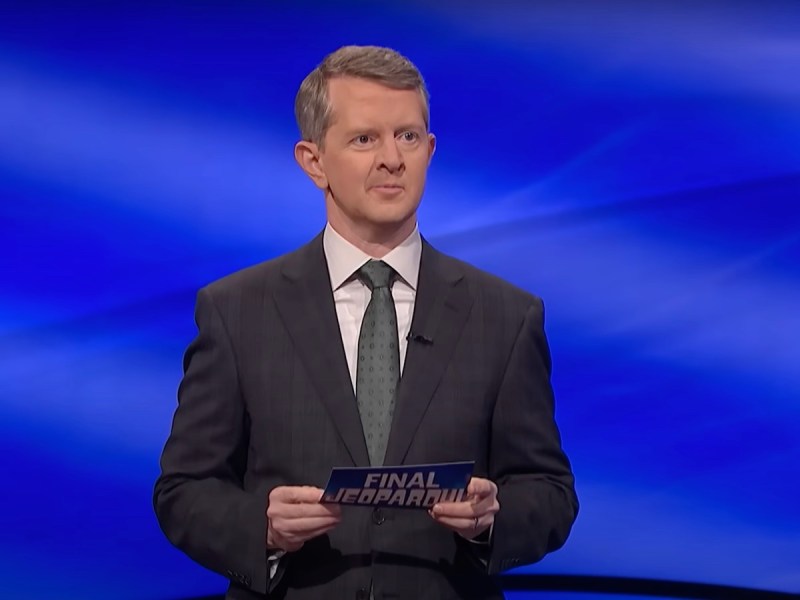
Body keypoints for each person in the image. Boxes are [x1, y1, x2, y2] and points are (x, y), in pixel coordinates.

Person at [154, 45, 577, 600]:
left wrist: (492, 518)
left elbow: (549, 491)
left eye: (407, 137)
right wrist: (263, 525)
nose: (392, 159)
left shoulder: (505, 315)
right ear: (313, 161)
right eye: (363, 139)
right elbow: (184, 490)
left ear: (430, 151)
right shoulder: (238, 310)